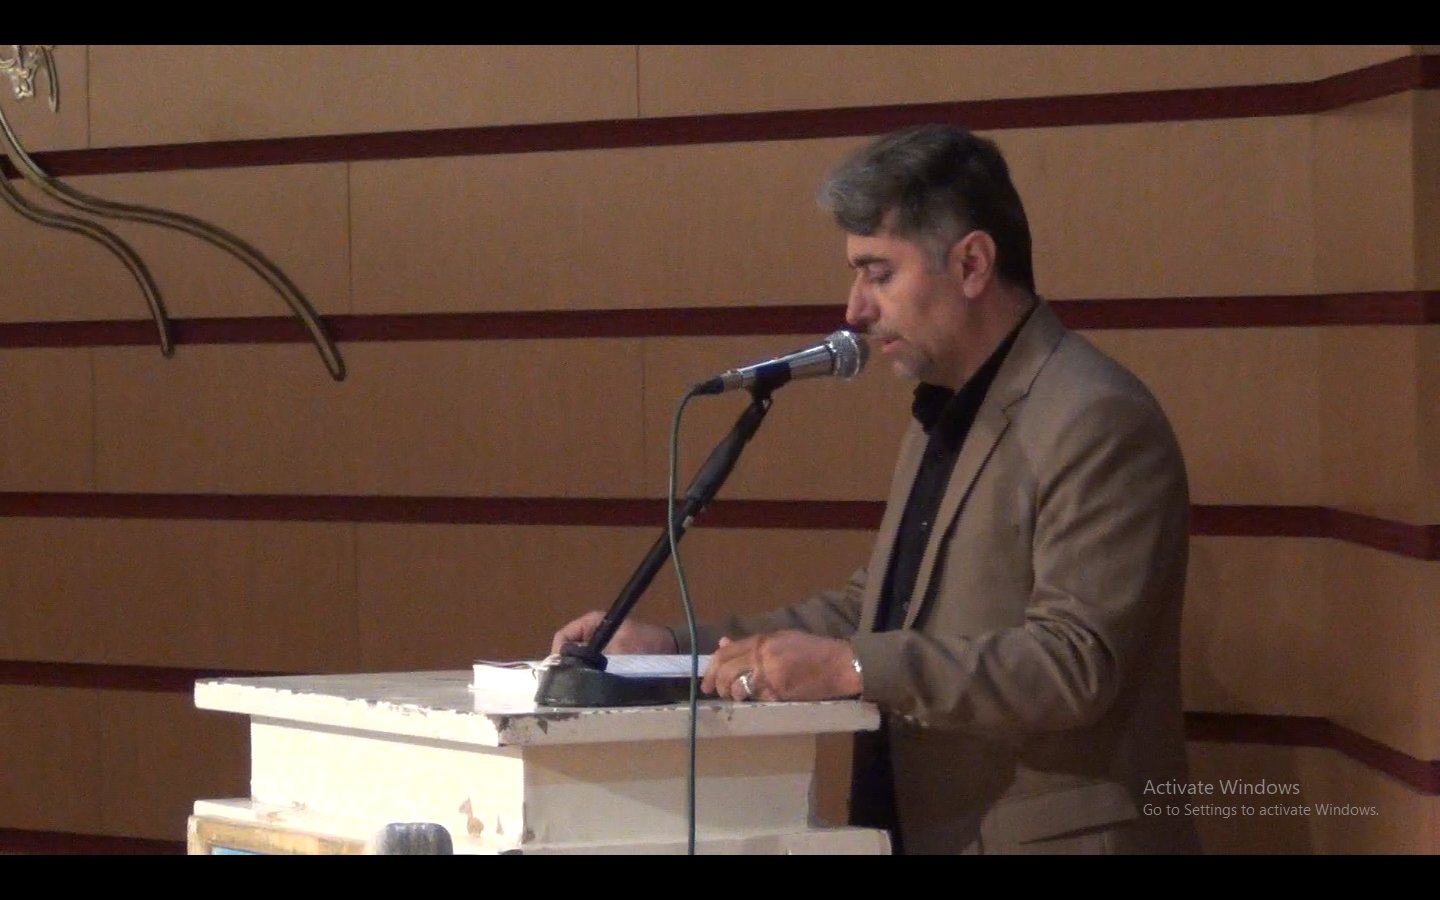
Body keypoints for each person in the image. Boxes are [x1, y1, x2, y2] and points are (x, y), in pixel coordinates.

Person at [551, 123, 1200, 855]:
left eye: (878, 273)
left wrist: (850, 667)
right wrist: (674, 652)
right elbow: (878, 608)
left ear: (972, 263)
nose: (855, 310)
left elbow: (1074, 663)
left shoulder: (1095, 417)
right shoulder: (946, 410)